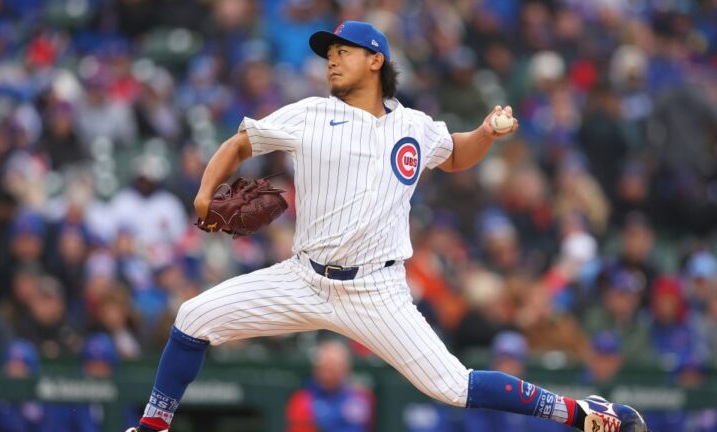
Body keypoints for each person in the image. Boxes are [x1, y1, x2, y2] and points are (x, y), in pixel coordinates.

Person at [127, 21, 648, 432]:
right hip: (302, 278)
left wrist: (487, 133)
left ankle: (582, 413)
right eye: (328, 54)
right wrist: (204, 192)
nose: (332, 60)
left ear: (376, 60)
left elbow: (455, 153)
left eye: (343, 51)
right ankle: (153, 426)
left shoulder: (413, 126)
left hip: (376, 290)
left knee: (452, 386)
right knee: (192, 317)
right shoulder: (309, 113)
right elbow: (240, 143)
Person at [285, 339, 374, 432]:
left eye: (336, 365)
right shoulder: (302, 400)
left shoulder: (361, 397)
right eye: (326, 366)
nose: (330, 372)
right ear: (316, 369)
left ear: (346, 367)